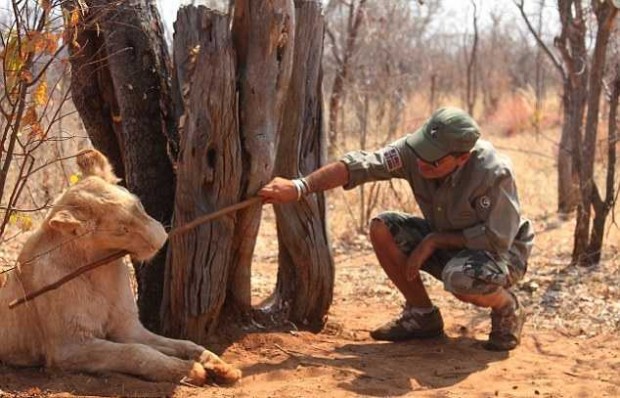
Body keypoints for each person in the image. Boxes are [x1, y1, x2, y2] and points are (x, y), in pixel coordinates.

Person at [258, 107, 534, 351]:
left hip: (500, 254)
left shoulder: (493, 172)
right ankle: (422, 315)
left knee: (460, 279)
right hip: (451, 245)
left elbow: (497, 238)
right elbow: (360, 166)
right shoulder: (416, 152)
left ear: (461, 159)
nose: (422, 162)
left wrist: (434, 241)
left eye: (434, 160)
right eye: (422, 152)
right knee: (384, 228)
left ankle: (507, 307)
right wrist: (300, 187)